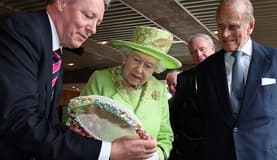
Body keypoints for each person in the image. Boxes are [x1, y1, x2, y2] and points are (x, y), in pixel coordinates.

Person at [0, 0, 157, 159]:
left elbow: (43, 119)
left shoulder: (55, 52)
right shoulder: (19, 30)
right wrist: (108, 151)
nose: (93, 30)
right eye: (87, 15)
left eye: (97, 23)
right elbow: (18, 120)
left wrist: (73, 135)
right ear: (60, 2)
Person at [80, 26, 182, 159]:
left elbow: (165, 135)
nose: (139, 70)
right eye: (136, 60)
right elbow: (79, 124)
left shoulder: (159, 89)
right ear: (126, 57)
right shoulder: (100, 79)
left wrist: (156, 156)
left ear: (155, 69)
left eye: (148, 66)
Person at [195, 0, 277, 159]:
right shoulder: (205, 69)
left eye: (233, 26)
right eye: (220, 26)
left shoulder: (274, 60)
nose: (224, 34)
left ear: (250, 26)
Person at [169, 33, 215, 160]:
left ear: (213, 49)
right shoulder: (184, 78)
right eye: (193, 52)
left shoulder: (228, 74)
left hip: (222, 146)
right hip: (192, 149)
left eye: (202, 49)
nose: (198, 55)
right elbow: (176, 112)